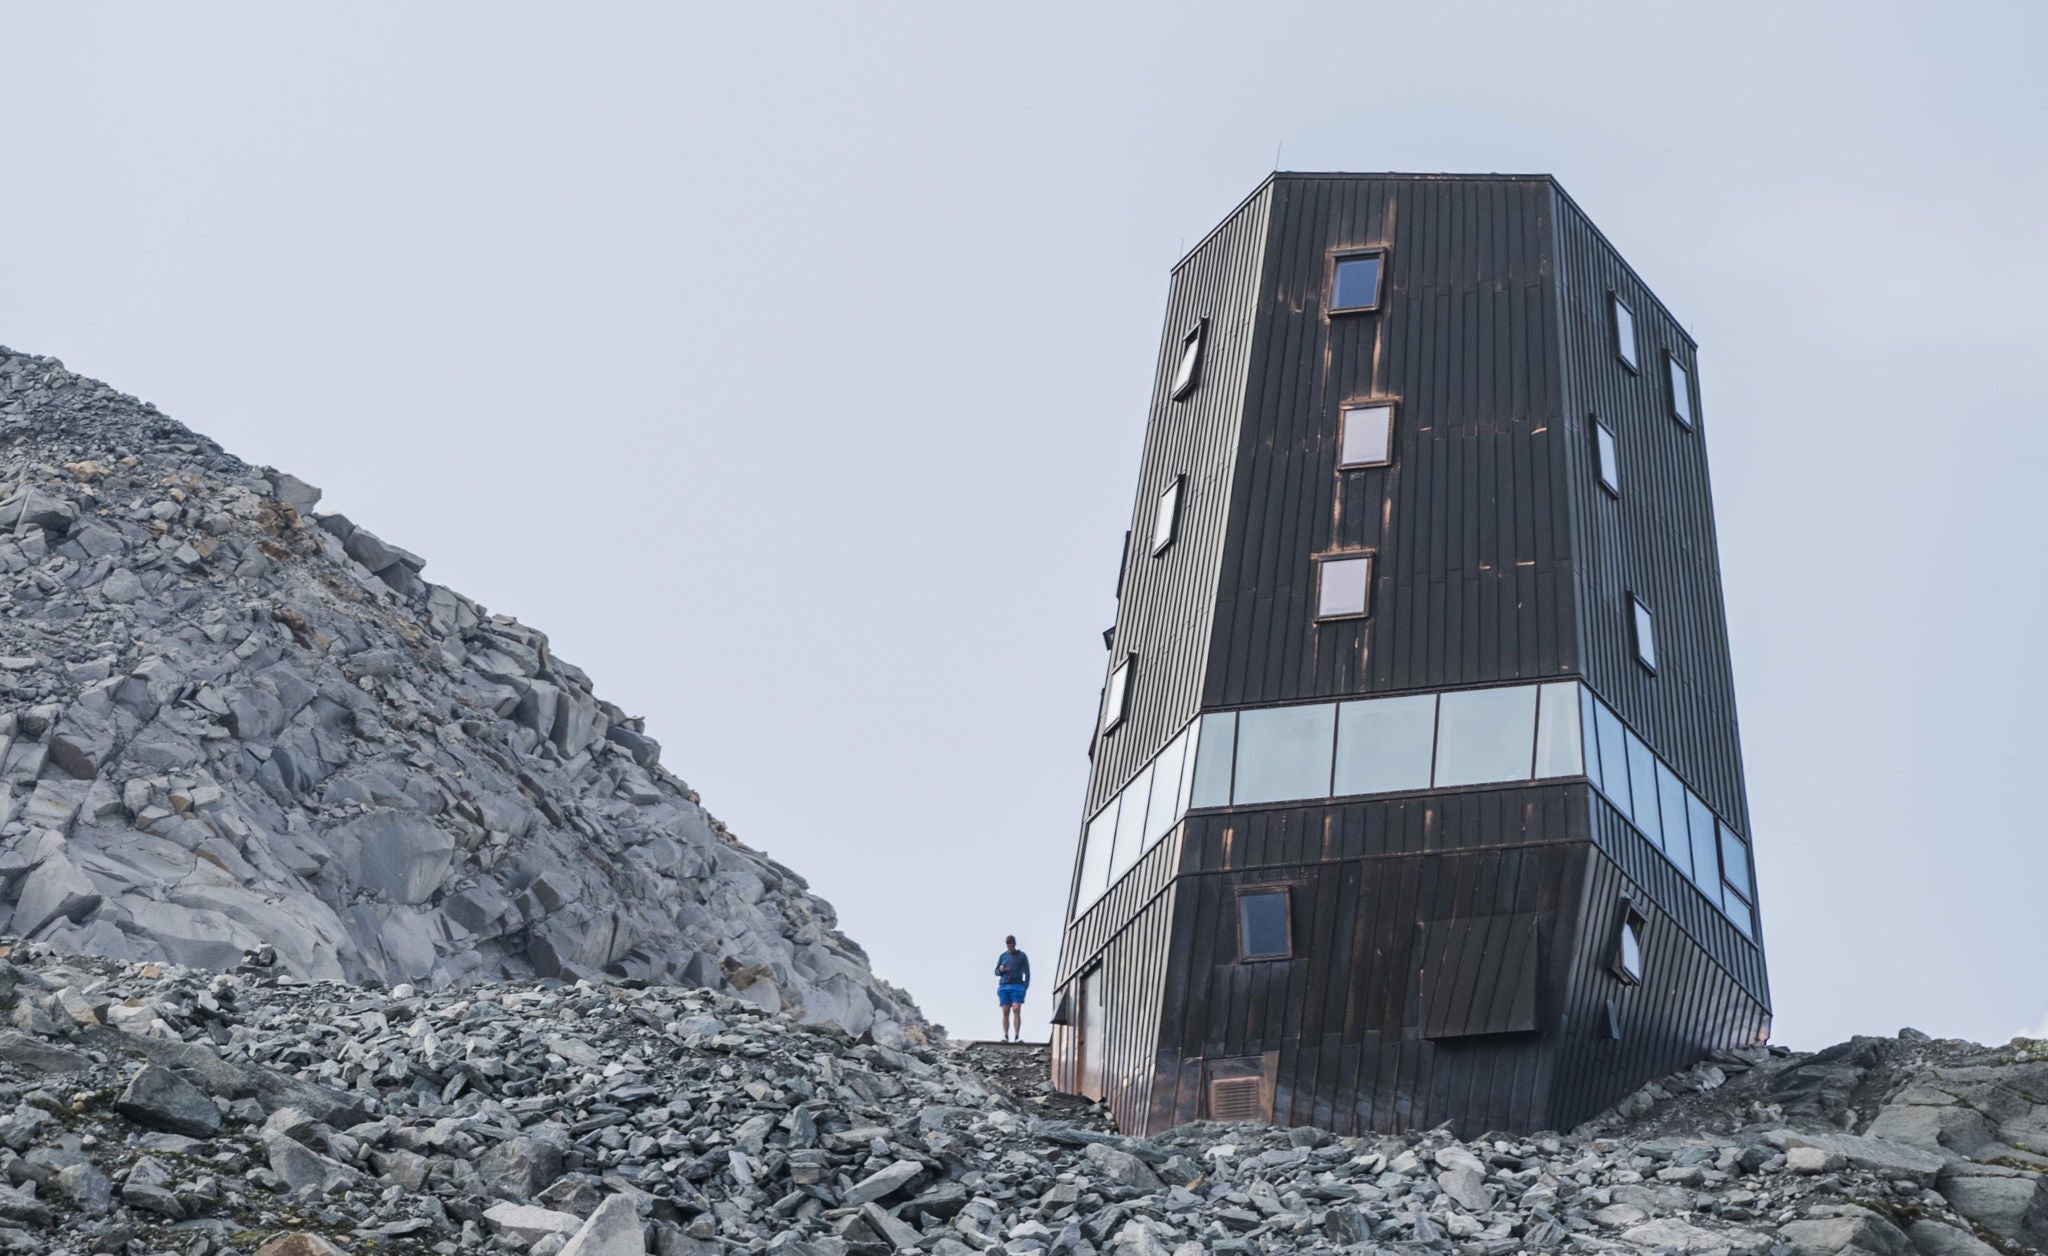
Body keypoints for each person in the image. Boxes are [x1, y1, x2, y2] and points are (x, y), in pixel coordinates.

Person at [994, 935, 1030, 1042]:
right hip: (1004, 986)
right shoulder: (1003, 956)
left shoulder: (1022, 956)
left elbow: (1027, 973)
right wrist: (1000, 970)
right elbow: (996, 972)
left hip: (1017, 986)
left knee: (1016, 1009)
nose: (1009, 947)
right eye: (1008, 946)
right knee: (1005, 1011)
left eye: (1011, 945)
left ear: (1014, 944)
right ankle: (1005, 1036)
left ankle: (1017, 1036)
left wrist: (1025, 987)